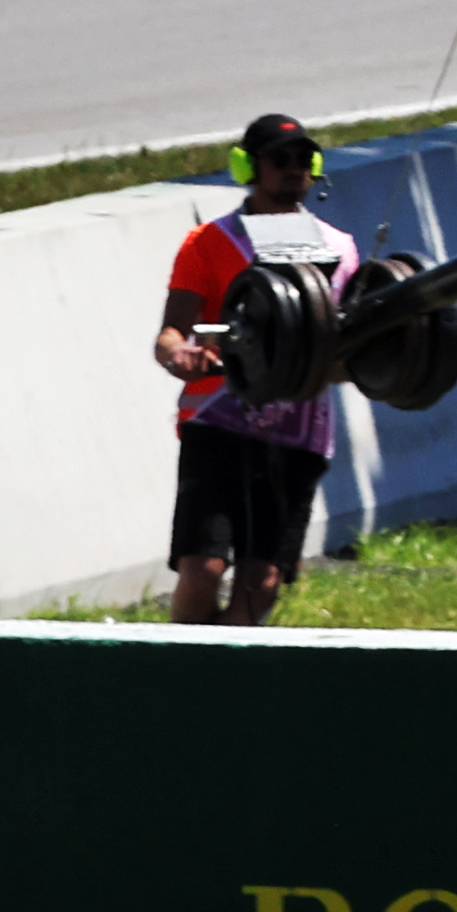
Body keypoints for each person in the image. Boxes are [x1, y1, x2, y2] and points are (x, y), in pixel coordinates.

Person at [151, 112, 351, 627]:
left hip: (296, 435)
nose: (293, 169)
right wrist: (180, 355)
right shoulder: (207, 243)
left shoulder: (340, 248)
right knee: (203, 568)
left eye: (304, 160)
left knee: (262, 581)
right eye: (279, 160)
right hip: (217, 423)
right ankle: (178, 674)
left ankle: (215, 683)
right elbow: (170, 332)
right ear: (248, 166)